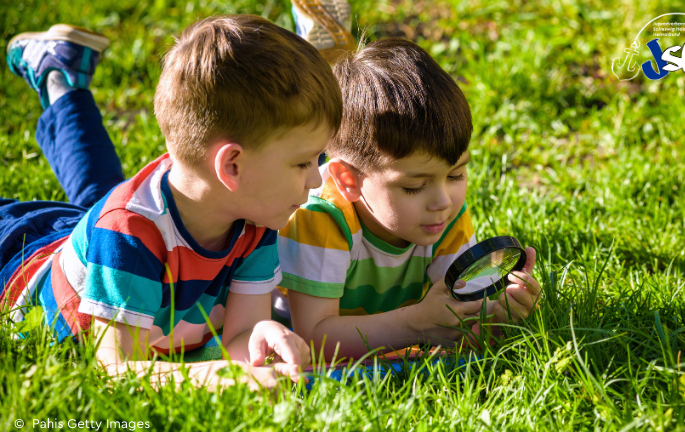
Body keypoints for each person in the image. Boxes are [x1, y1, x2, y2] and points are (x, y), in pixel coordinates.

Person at [1, 15, 342, 390]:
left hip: (96, 237)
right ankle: (58, 76)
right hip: (18, 251)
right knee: (105, 211)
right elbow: (115, 370)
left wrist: (263, 338)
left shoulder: (255, 219)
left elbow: (240, 336)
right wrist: (222, 377)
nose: (316, 179)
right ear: (231, 165)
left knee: (98, 202)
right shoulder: (128, 236)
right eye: (303, 163)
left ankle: (59, 74)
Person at [276, 32, 543, 360]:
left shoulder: (445, 216)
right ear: (348, 180)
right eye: (414, 185)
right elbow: (314, 340)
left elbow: (458, 333)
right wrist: (417, 324)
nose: (442, 200)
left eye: (456, 174)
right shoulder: (320, 218)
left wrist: (498, 317)